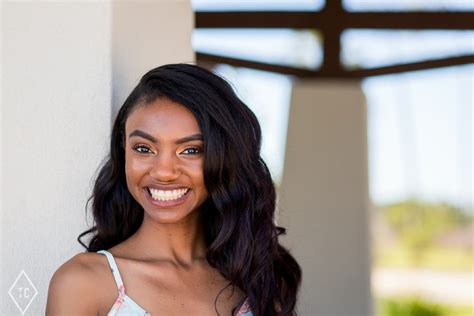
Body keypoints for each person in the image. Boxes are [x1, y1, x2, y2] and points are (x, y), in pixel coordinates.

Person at [46, 63, 301, 316]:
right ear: (123, 151)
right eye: (144, 148)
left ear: (225, 159)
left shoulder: (258, 283)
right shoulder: (83, 283)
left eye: (190, 150)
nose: (164, 172)